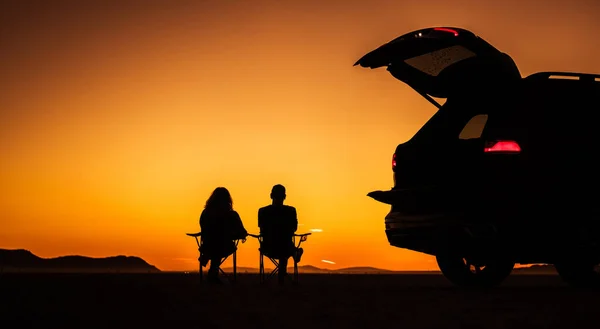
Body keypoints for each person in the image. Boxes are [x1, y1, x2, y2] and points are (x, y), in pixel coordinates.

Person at [200, 187, 248, 284]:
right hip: (225, 246)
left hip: (207, 245)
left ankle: (212, 272)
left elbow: (203, 228)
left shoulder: (205, 213)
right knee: (219, 245)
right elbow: (242, 232)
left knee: (215, 246)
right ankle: (213, 275)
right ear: (228, 200)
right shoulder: (232, 215)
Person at [258, 184, 302, 284]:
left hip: (268, 247)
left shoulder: (263, 211)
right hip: (286, 247)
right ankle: (295, 254)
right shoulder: (291, 211)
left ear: (271, 195)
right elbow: (294, 228)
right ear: (285, 197)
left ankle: (281, 277)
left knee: (282, 246)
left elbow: (261, 228)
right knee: (284, 247)